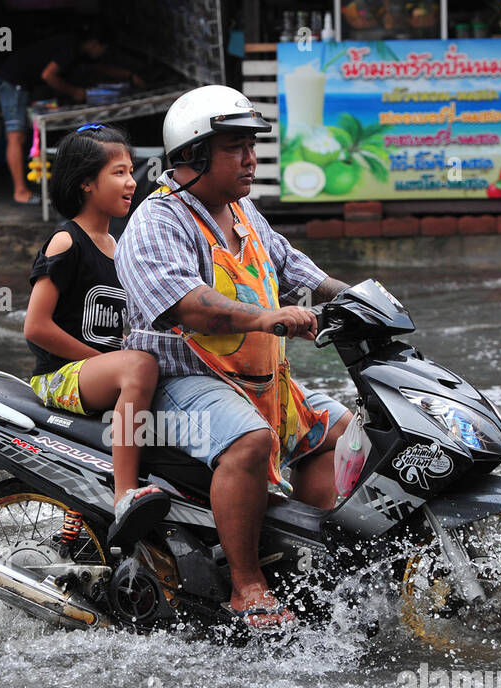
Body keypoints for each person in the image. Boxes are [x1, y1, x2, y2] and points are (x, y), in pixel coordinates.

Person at [115, 85, 354, 629]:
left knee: (344, 432)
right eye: (234, 148)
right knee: (250, 441)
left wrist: (366, 301)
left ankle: (304, 564)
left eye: (252, 146)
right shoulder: (158, 221)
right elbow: (189, 306)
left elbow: (301, 273)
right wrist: (265, 317)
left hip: (263, 379)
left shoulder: (244, 213)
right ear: (192, 156)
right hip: (183, 380)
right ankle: (248, 588)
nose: (250, 159)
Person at [24, 123, 169, 548]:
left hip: (108, 376)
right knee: (140, 366)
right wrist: (95, 359)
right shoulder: (66, 242)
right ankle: (124, 495)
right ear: (86, 183)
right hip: (60, 378)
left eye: (131, 171)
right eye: (119, 173)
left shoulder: (120, 246)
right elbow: (36, 326)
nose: (131, 182)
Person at [0, 25, 146, 204]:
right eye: (104, 49)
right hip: (12, 82)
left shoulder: (79, 51)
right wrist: (74, 92)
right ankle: (20, 191)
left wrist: (130, 76)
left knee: (21, 137)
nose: (103, 54)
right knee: (16, 136)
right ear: (95, 43)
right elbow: (48, 75)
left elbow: (99, 69)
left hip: (23, 84)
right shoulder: (69, 48)